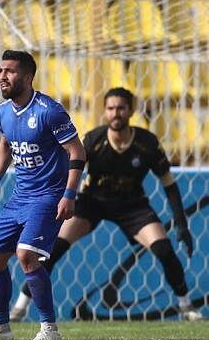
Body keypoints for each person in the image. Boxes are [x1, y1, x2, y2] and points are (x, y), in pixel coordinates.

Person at [11, 87, 203, 322]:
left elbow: (169, 185)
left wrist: (181, 224)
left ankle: (186, 306)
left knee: (164, 250)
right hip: (92, 202)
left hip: (132, 205)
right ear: (105, 112)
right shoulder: (93, 140)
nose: (115, 113)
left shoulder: (147, 143)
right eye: (111, 108)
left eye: (121, 108)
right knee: (52, 249)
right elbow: (69, 170)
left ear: (131, 111)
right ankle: (19, 308)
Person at [0, 50, 85, 340]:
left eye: (9, 71)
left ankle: (49, 329)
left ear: (27, 76)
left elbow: (77, 151)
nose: (2, 77)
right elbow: (6, 143)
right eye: (0, 71)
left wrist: (69, 195)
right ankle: (0, 330)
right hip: (19, 196)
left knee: (26, 255)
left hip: (48, 196)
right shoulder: (4, 111)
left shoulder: (49, 111)